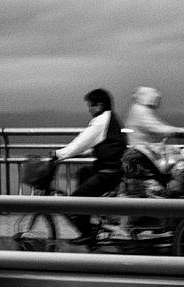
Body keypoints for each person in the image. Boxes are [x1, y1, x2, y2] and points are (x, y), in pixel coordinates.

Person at [50, 88, 127, 246]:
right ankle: (90, 215)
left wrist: (60, 154)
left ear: (98, 105)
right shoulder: (109, 118)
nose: (88, 109)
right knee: (83, 173)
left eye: (90, 105)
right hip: (109, 168)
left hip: (109, 172)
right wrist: (79, 154)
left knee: (77, 200)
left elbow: (82, 141)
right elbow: (97, 145)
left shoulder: (101, 121)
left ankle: (87, 233)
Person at [124, 86, 184, 180]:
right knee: (163, 173)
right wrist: (177, 131)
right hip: (141, 151)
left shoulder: (139, 109)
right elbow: (155, 127)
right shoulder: (140, 110)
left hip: (142, 149)